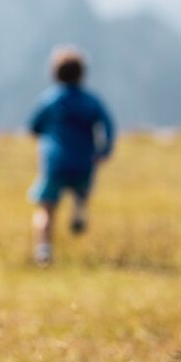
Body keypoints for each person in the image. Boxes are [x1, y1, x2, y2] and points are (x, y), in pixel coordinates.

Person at [27, 45, 115, 267]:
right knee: (81, 191)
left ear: (54, 73)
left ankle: (44, 249)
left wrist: (44, 133)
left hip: (55, 162)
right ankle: (78, 210)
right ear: (82, 74)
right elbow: (108, 124)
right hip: (84, 161)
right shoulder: (91, 101)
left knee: (46, 208)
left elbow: (33, 126)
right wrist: (104, 151)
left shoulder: (50, 100)